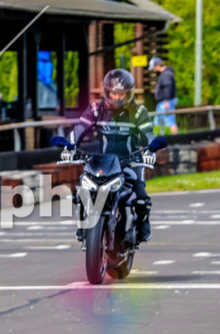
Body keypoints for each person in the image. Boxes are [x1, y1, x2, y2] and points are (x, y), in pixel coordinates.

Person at [66, 69, 157, 243]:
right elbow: (79, 129)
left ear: (129, 94)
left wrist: (151, 150)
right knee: (81, 191)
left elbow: (149, 135)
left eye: (122, 94)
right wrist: (69, 146)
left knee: (141, 198)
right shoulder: (95, 109)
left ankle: (142, 227)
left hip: (130, 162)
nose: (118, 98)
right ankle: (84, 225)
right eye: (114, 93)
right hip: (103, 162)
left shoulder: (138, 112)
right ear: (107, 92)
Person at [149, 56, 178, 135]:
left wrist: (166, 101)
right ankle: (157, 138)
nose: (153, 69)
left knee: (170, 120)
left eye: (154, 67)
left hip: (166, 101)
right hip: (163, 102)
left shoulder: (166, 74)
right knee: (157, 121)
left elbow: (168, 87)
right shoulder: (165, 73)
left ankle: (177, 139)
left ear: (157, 65)